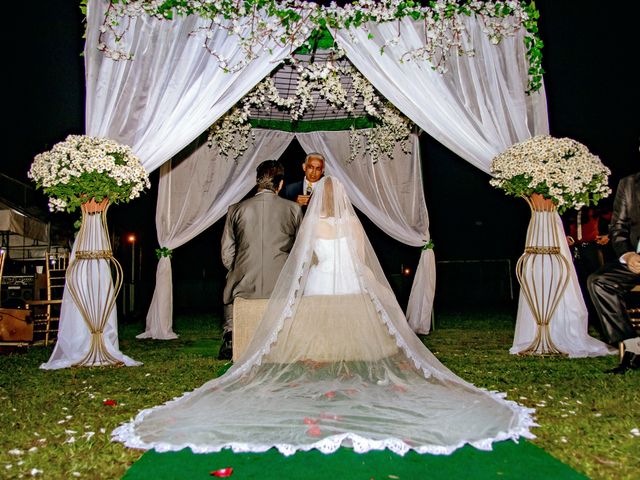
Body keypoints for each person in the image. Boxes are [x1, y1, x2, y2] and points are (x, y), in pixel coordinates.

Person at [113, 177, 534, 455]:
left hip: (318, 282)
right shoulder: (351, 226)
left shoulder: (312, 226)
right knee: (354, 297)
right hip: (350, 282)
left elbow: (306, 259)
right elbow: (360, 260)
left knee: (312, 298)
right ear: (346, 201)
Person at [218, 160, 303, 360]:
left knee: (230, 285)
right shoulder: (294, 209)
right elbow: (301, 249)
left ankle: (230, 334)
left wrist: (238, 270)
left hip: (245, 280)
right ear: (280, 184)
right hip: (280, 282)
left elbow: (226, 252)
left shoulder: (235, 209)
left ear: (257, 181)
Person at [587, 172, 640, 373]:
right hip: (637, 260)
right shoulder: (628, 184)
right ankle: (634, 347)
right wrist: (628, 255)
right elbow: (618, 228)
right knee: (599, 281)